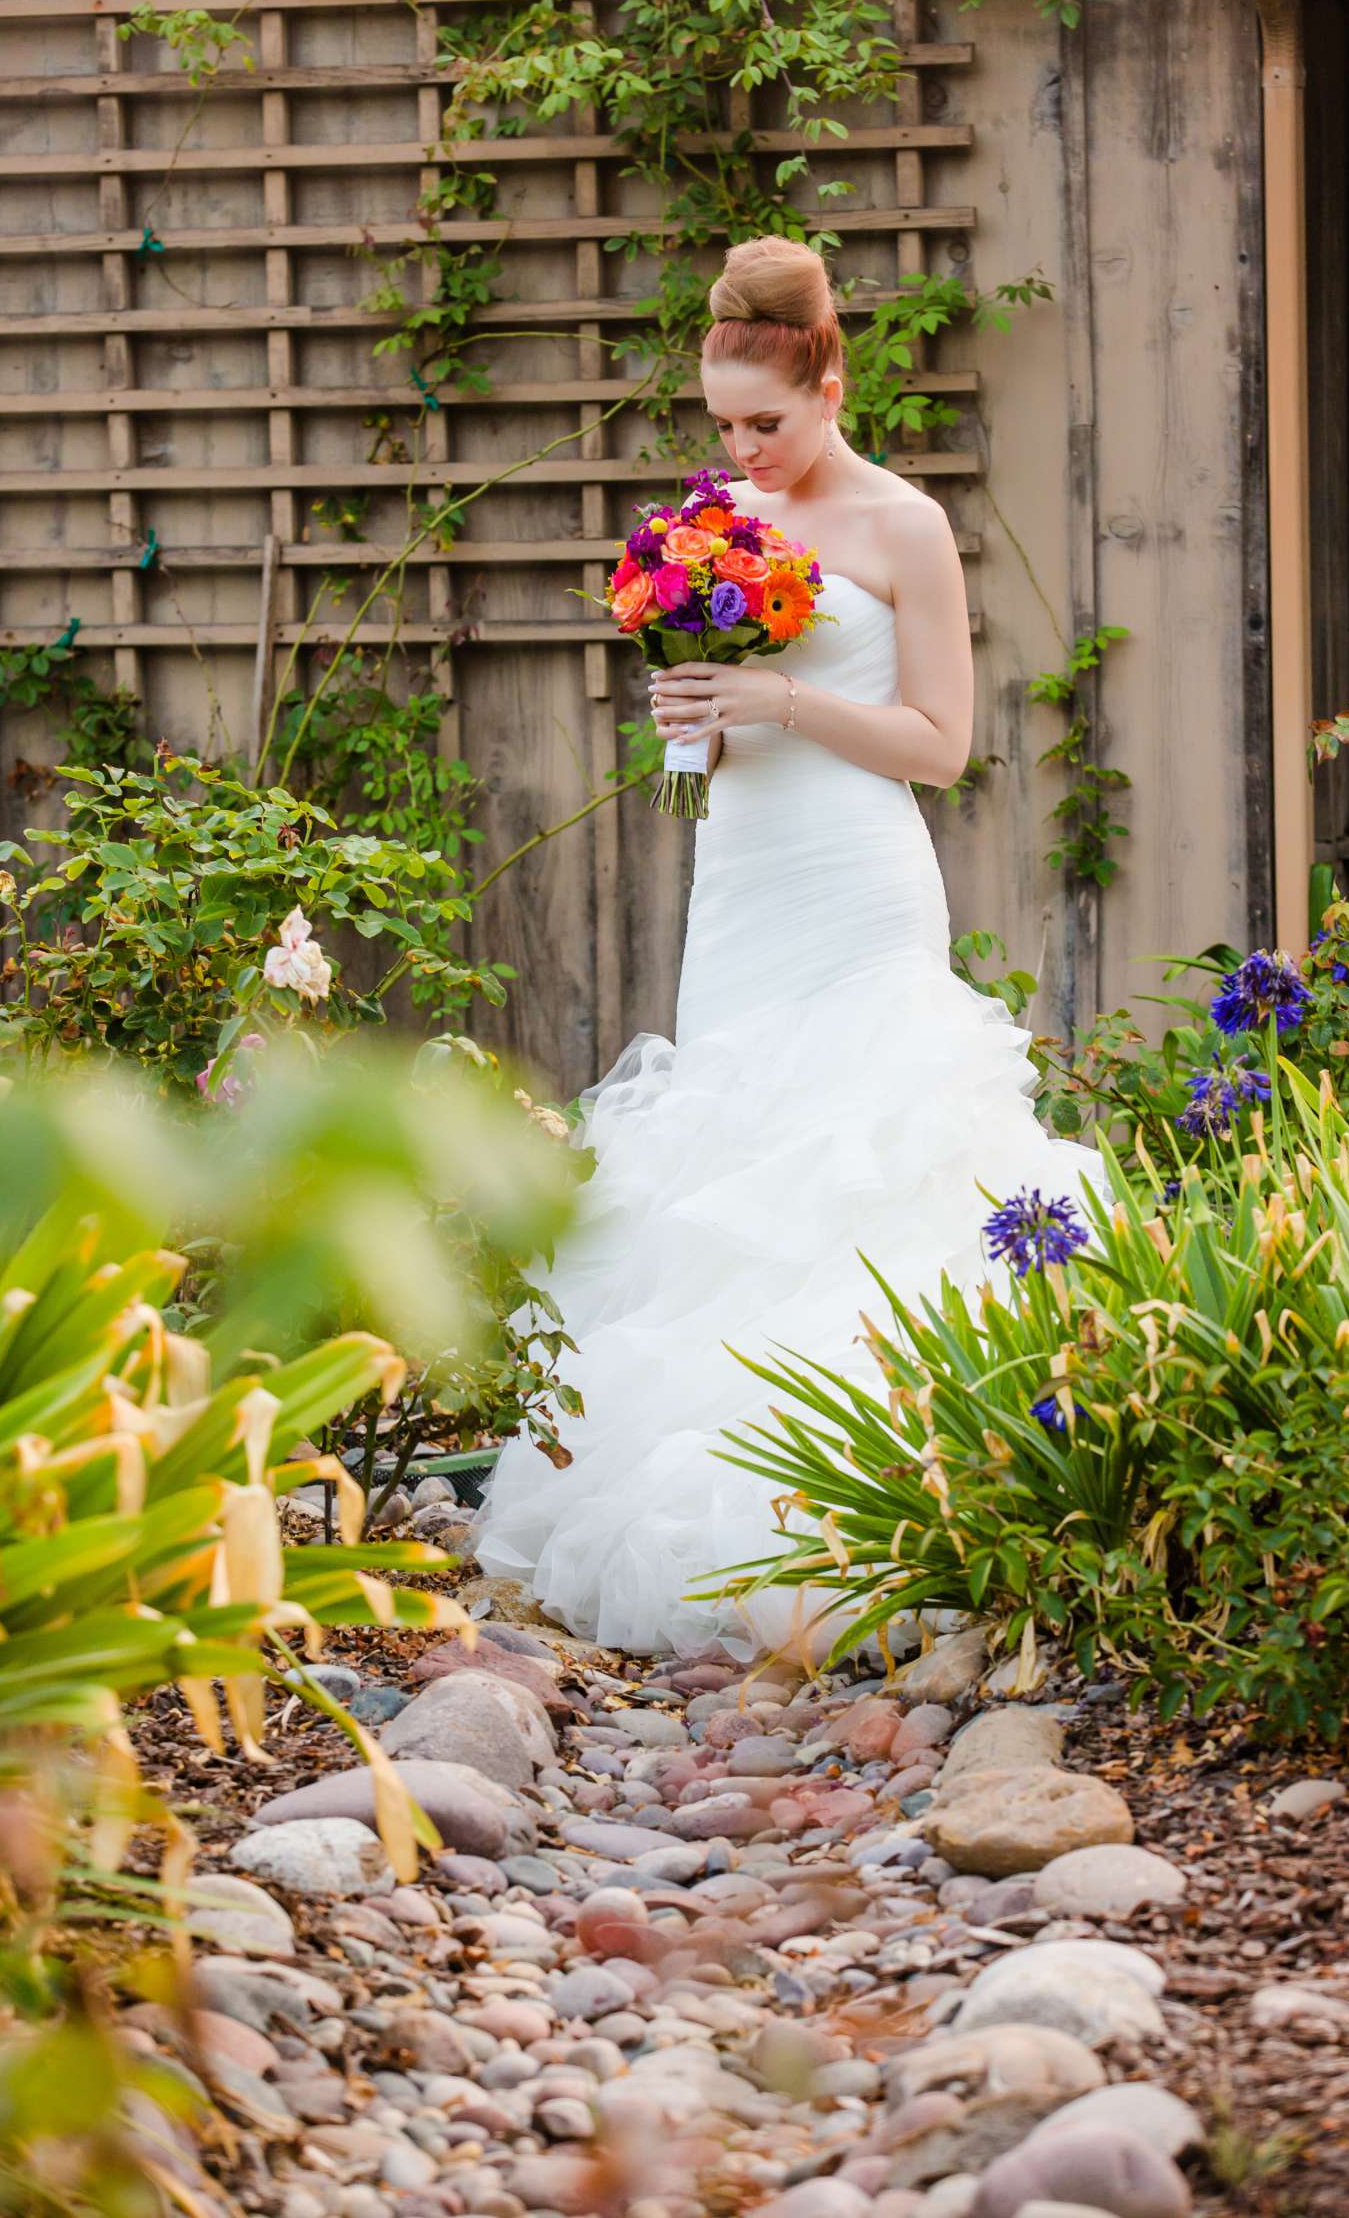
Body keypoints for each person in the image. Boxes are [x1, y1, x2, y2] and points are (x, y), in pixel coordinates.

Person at [472, 235, 1110, 1657]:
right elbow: (719, 730)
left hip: (861, 879)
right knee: (734, 1174)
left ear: (830, 380)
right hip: (740, 880)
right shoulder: (714, 520)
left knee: (867, 1158)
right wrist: (691, 727)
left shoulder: (905, 528)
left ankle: (886, 1508)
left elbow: (941, 747)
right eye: (721, 425)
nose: (742, 450)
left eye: (767, 421)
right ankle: (710, 1516)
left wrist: (781, 697)